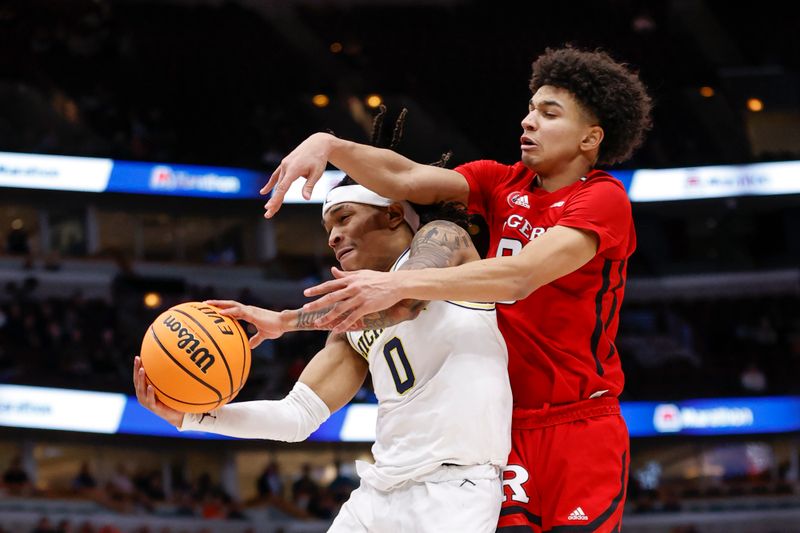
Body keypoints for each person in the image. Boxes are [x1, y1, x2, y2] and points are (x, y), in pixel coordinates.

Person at [261, 46, 653, 532]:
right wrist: (330, 144)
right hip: (499, 429)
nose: (528, 121)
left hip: (579, 422)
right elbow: (404, 176)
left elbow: (519, 277)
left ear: (591, 137)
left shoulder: (603, 199)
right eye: (530, 108)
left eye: (549, 113)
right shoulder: (498, 182)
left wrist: (398, 283)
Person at [134, 171, 512, 531]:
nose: (333, 237)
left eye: (344, 218)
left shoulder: (443, 239)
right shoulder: (351, 328)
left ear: (394, 214)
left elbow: (404, 300)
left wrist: (287, 321)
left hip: (455, 489)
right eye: (328, 229)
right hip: (380, 489)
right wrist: (191, 418)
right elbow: (296, 417)